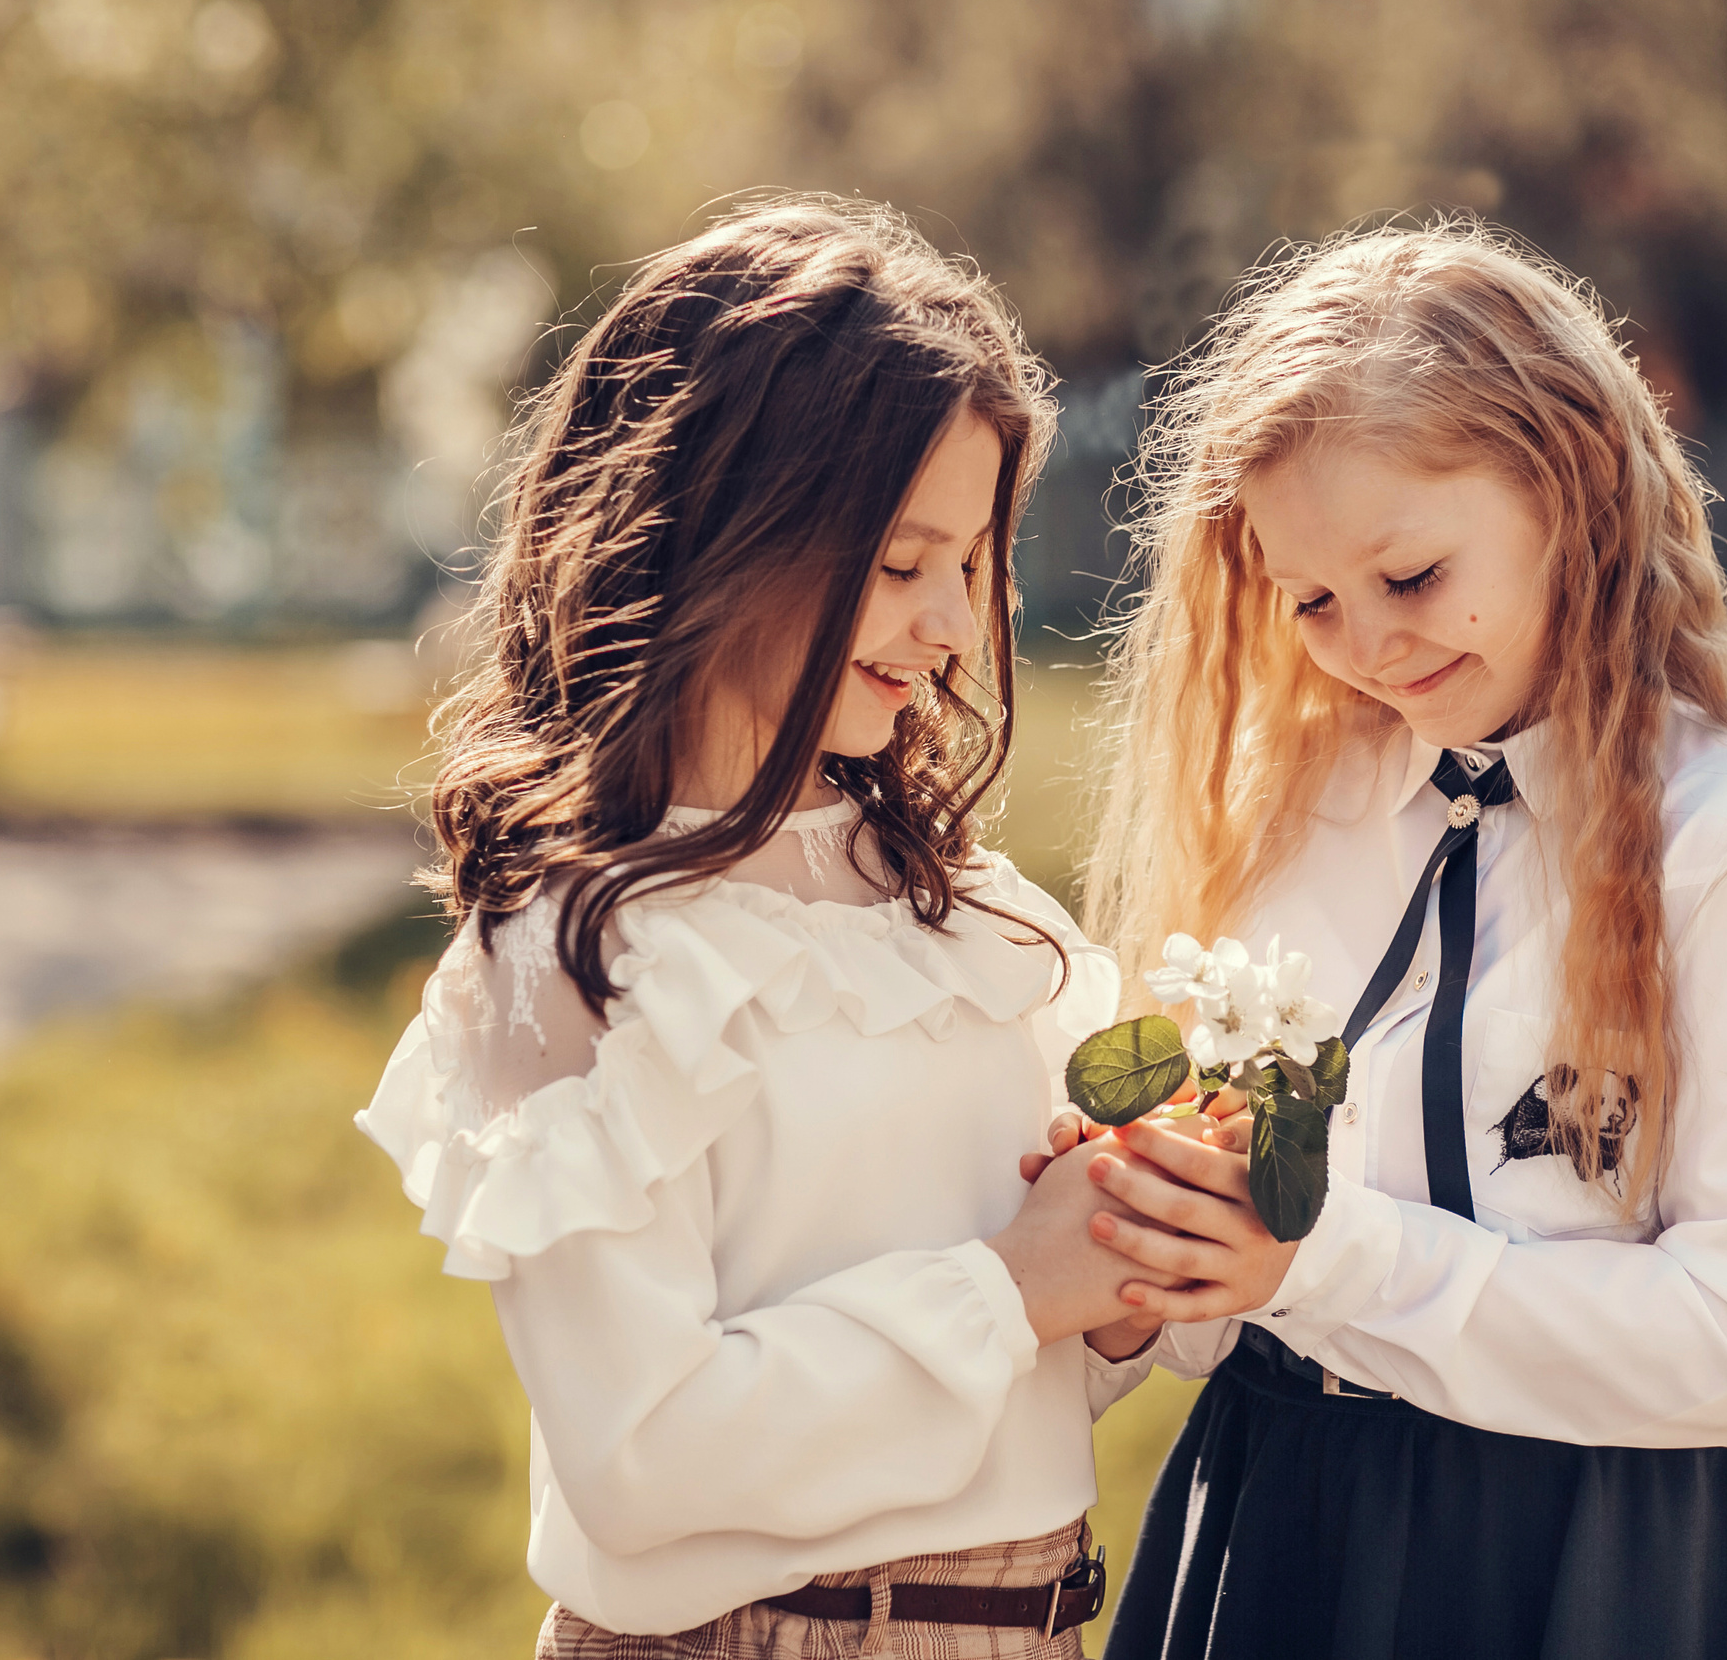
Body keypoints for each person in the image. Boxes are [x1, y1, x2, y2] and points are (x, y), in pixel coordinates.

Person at [357, 195, 1171, 1660]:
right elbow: (643, 1459)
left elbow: (1012, 1384)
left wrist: (1116, 1283)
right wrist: (1012, 1287)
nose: (952, 625)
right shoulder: (577, 948)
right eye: (903, 562)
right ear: (724, 531)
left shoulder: (968, 913)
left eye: (972, 565)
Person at [1063, 219, 1727, 1659]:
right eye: (1313, 601)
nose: (1368, 646)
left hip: (1591, 1560)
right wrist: (1156, 1253)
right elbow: (1227, 1296)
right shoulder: (1289, 809)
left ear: (1571, 489)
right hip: (1279, 1527)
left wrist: (1325, 1261)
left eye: (1413, 576)